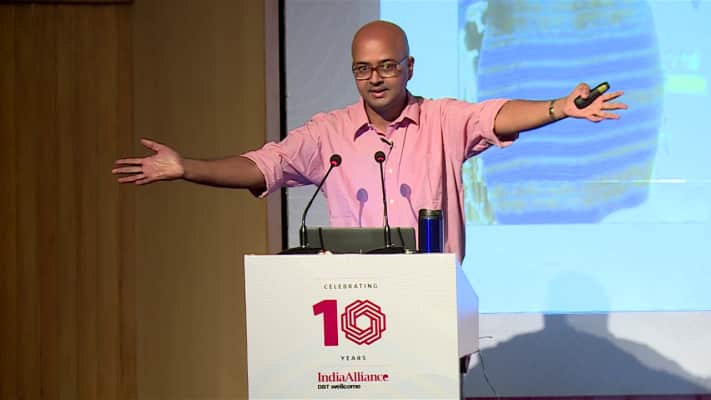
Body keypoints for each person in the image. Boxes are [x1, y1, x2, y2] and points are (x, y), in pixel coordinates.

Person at [113, 20, 627, 262]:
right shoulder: (329, 133)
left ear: (409, 67)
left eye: (386, 67)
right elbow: (263, 166)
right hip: (355, 304)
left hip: (431, 304)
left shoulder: (442, 119)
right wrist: (187, 168)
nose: (375, 79)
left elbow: (496, 115)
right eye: (363, 69)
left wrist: (559, 107)